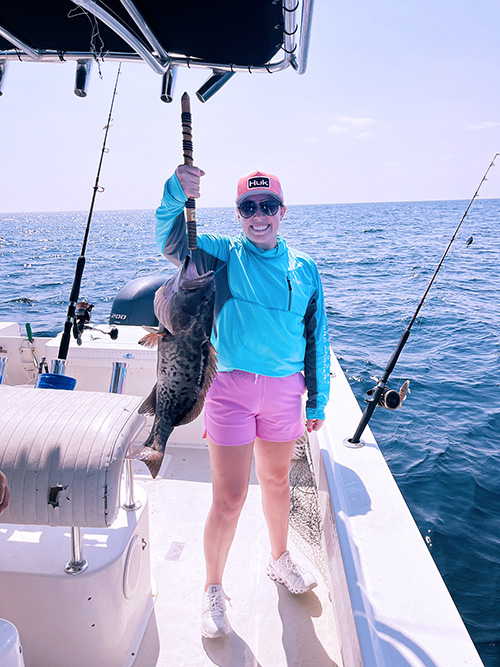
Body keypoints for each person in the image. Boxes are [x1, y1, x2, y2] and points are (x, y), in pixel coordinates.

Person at [155, 165, 330, 639]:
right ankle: (213, 588)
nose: (259, 216)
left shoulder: (306, 268)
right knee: (229, 498)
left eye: (268, 206)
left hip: (284, 393)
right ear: (238, 213)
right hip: (229, 389)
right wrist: (177, 192)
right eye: (249, 208)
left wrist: (318, 400)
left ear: (282, 211)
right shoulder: (221, 255)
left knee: (276, 483)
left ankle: (279, 560)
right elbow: (171, 242)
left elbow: (317, 337)